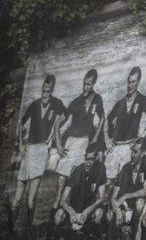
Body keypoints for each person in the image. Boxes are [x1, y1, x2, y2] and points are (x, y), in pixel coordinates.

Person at [12, 73, 66, 227]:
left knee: (31, 197)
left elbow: (67, 115)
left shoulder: (57, 104)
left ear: (52, 91)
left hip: (42, 149)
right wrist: (21, 144)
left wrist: (56, 130)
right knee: (17, 194)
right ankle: (11, 228)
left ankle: (26, 234)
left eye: (48, 92)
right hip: (29, 148)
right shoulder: (35, 104)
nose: (45, 95)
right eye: (43, 91)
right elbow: (21, 123)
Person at [55, 68, 106, 209]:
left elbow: (102, 118)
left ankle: (72, 214)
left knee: (77, 182)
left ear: (93, 84)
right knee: (61, 184)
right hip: (71, 143)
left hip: (84, 143)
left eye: (88, 84)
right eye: (84, 84)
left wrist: (95, 138)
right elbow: (58, 123)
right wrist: (59, 144)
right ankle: (54, 216)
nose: (85, 87)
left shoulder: (97, 99)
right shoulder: (76, 102)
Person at [105, 66, 146, 184]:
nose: (130, 85)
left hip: (129, 147)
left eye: (133, 82)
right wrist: (107, 139)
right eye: (129, 82)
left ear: (138, 82)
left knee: (123, 182)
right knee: (108, 181)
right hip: (115, 146)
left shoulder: (142, 99)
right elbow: (107, 120)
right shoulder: (120, 103)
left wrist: (143, 135)